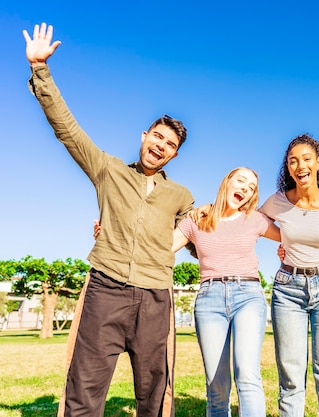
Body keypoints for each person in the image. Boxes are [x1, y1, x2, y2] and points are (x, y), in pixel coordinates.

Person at [23, 23, 194, 417]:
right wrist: (41, 70)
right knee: (84, 387)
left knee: (154, 394)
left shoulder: (181, 196)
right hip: (106, 288)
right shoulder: (109, 170)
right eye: (157, 136)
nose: (160, 146)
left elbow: (202, 240)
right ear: (144, 135)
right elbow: (68, 131)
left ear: (174, 156)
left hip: (156, 296)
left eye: (169, 145)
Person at [172, 167, 280, 417]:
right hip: (209, 299)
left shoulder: (255, 218)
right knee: (216, 384)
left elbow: (293, 236)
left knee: (247, 373)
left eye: (251, 187)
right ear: (227, 182)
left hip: (248, 295)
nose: (245, 187)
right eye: (241, 180)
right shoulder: (197, 218)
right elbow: (162, 246)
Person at [260, 134, 319, 417]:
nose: (300, 165)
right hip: (288, 289)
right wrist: (284, 240)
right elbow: (254, 222)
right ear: (287, 168)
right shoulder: (278, 202)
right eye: (293, 161)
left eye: (306, 159)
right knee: (290, 376)